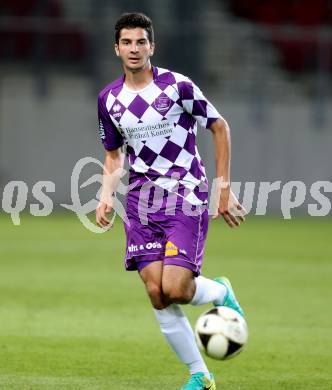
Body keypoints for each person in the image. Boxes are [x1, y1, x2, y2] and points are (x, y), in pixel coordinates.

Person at [96, 12, 246, 390]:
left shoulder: (177, 86)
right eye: (127, 42)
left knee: (177, 288)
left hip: (185, 193)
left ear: (152, 46)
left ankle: (222, 292)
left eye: (140, 42)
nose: (134, 49)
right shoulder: (109, 99)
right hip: (141, 203)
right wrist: (105, 196)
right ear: (117, 48)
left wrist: (222, 186)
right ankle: (200, 375)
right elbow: (114, 154)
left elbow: (219, 126)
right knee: (156, 293)